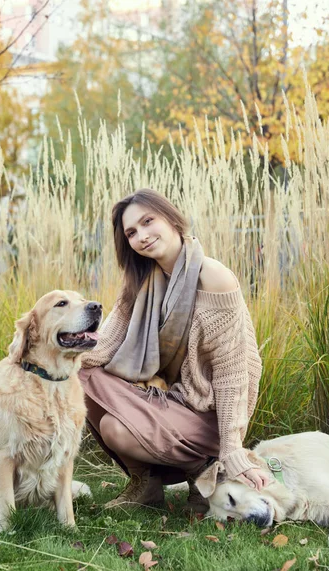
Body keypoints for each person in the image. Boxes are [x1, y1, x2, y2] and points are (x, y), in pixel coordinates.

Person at [79, 188, 269, 511]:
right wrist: (46, 356)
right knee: (80, 375)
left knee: (113, 422)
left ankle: (205, 470)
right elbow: (106, 345)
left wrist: (233, 449)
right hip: (169, 400)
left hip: (208, 414)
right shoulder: (141, 281)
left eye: (148, 221)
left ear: (170, 217)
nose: (142, 236)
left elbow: (232, 373)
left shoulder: (214, 278)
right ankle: (146, 485)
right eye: (131, 233)